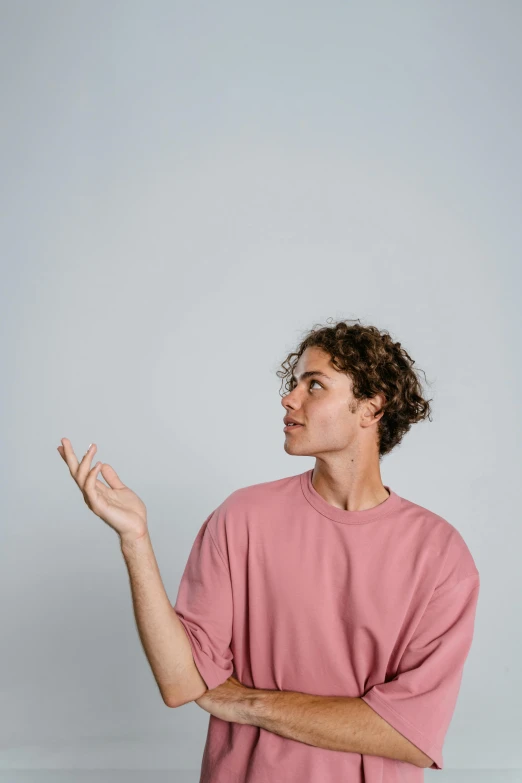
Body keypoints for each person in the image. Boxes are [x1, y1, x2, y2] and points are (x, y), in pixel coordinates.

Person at [58, 317, 480, 783]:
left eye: (314, 385)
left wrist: (249, 701)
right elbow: (182, 683)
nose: (289, 398)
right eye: (294, 382)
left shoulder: (440, 554)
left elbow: (411, 736)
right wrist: (135, 540)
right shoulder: (242, 518)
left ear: (371, 408)